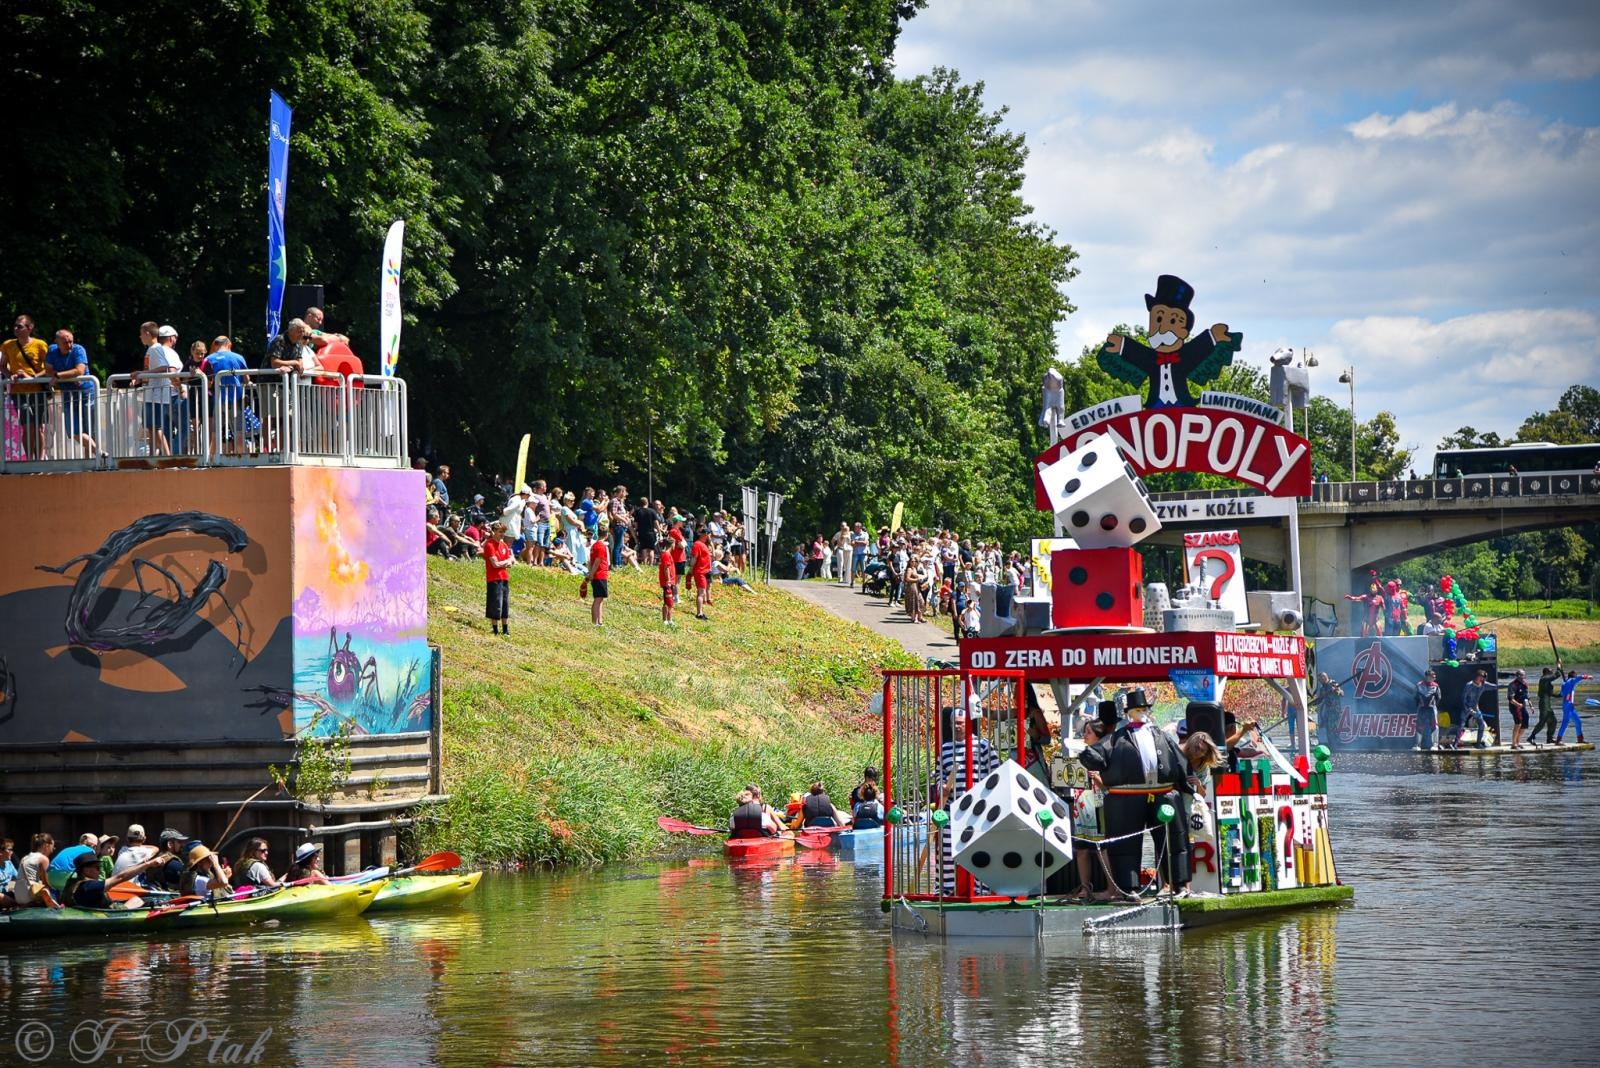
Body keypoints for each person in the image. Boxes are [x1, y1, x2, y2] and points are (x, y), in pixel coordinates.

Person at [1078, 688, 1193, 898]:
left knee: (1173, 840)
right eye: (1137, 709)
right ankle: (1128, 888)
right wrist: (1086, 754)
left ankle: (1179, 885)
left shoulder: (1160, 735)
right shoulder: (1117, 738)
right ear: (1129, 712)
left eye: (1143, 709)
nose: (1141, 712)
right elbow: (1096, 754)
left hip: (1162, 793)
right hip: (1127, 796)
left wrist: (1188, 784)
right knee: (1125, 844)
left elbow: (1179, 761)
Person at [929, 705, 1001, 894]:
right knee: (946, 850)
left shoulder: (984, 746)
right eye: (954, 724)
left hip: (979, 808)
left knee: (979, 849)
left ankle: (981, 889)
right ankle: (945, 890)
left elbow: (996, 773)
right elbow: (938, 774)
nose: (958, 727)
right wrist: (942, 787)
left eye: (961, 723)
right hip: (952, 808)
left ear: (968, 724)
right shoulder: (944, 749)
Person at [44, 328, 99, 458]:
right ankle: (100, 453)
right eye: (65, 343)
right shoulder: (52, 351)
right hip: (68, 395)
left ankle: (91, 462)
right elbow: (48, 371)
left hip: (86, 393)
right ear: (57, 342)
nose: (69, 345)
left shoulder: (78, 349)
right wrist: (65, 375)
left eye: (71, 342)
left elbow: (79, 370)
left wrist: (58, 375)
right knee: (74, 431)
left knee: (90, 430)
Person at [3, 313, 50, 458]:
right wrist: (9, 375)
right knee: (27, 426)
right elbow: (2, 365)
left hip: (38, 390)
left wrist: (32, 377)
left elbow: (49, 368)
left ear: (29, 328)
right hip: (19, 392)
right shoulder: (8, 345)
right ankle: (29, 459)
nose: (16, 328)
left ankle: (40, 459)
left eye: (20, 326)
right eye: (15, 325)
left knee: (38, 427)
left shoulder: (40, 344)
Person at [1072, 720, 1109, 901]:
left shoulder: (1105, 754)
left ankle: (1112, 888)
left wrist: (1097, 778)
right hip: (1081, 804)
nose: (1085, 735)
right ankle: (1085, 887)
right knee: (1082, 849)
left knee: (1102, 848)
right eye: (1084, 731)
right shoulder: (1079, 755)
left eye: (1089, 732)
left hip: (1099, 804)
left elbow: (1108, 787)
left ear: (1098, 735)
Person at [63, 848, 170, 910]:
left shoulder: (72, 883)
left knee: (136, 900)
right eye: (97, 868)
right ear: (86, 870)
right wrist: (148, 864)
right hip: (106, 915)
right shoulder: (89, 886)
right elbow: (121, 877)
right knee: (137, 900)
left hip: (88, 909)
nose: (100, 871)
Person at [201, 336, 249, 455]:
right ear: (229, 345)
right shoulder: (238, 357)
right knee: (238, 432)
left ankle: (210, 462)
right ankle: (244, 462)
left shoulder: (209, 359)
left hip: (217, 401)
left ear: (216, 345)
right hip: (235, 400)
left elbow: (205, 379)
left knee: (215, 434)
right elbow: (247, 379)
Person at [10, 833, 61, 909]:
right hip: (30, 894)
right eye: (52, 847)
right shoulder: (43, 859)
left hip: (18, 895)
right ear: (46, 846)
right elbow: (46, 883)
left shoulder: (25, 857)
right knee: (54, 892)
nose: (52, 851)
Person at [484, 521, 513, 635]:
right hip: (493, 578)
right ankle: (495, 630)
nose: (502, 534)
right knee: (495, 604)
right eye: (500, 532)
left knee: (505, 603)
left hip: (504, 577)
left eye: (503, 532)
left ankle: (505, 630)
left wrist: (505, 562)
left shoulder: (504, 545)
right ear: (494, 531)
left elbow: (509, 563)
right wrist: (506, 561)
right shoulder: (490, 545)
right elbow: (495, 564)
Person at [1460, 668, 1496, 748]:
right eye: (1482, 677)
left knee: (1482, 725)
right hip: (1467, 707)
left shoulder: (1483, 685)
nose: (1483, 679)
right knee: (1461, 724)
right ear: (1478, 676)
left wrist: (1508, 685)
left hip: (1475, 707)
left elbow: (1495, 687)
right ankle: (1455, 744)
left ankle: (1478, 743)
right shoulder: (1469, 685)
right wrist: (1468, 710)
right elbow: (1463, 698)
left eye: (1484, 678)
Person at [1556, 668, 1593, 744]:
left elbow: (1561, 694)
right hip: (1568, 704)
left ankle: (1580, 739)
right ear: (1573, 676)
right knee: (1565, 722)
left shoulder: (1564, 684)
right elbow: (1580, 677)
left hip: (1568, 705)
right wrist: (1588, 676)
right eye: (1575, 676)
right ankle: (1558, 740)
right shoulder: (1572, 681)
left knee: (1578, 722)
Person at [583, 527, 610, 627]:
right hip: (599, 575)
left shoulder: (594, 545)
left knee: (600, 599)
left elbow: (590, 561)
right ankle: (595, 622)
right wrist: (592, 574)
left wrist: (590, 572)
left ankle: (599, 621)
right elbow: (597, 562)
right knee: (598, 599)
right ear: (606, 534)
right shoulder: (601, 546)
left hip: (598, 575)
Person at [1530, 667, 1559, 745]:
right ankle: (1531, 737)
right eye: (1550, 672)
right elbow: (1556, 676)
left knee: (1553, 721)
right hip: (1543, 704)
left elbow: (1550, 693)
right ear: (1546, 672)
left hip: (1547, 704)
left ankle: (1549, 738)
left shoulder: (1546, 681)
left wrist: (1561, 695)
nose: (1551, 673)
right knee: (1542, 722)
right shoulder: (1544, 679)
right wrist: (1558, 668)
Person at [1414, 669, 1442, 750]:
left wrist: (1434, 706)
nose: (1434, 678)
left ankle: (1435, 745)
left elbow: (1439, 698)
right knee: (1419, 725)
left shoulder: (1436, 686)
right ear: (1427, 677)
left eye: (1434, 677)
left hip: (1432, 709)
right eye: (1432, 676)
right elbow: (1415, 697)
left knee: (1435, 726)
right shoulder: (1418, 685)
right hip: (1421, 708)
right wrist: (1419, 705)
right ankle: (1417, 745)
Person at [690, 529, 713, 621]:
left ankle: (701, 611)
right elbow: (694, 558)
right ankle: (699, 613)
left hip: (706, 571)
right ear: (706, 535)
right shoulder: (697, 544)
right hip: (700, 572)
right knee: (701, 592)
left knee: (704, 592)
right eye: (710, 535)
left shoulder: (704, 544)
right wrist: (691, 569)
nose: (710, 537)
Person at [1507, 669, 1530, 749]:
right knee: (1518, 723)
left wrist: (1531, 706)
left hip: (1523, 707)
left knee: (1525, 724)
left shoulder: (1525, 684)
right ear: (1517, 676)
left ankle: (1517, 741)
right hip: (1515, 706)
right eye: (1520, 675)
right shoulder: (1513, 685)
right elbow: (1511, 699)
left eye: (1523, 675)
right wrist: (1518, 704)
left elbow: (1527, 697)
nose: (1522, 677)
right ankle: (1513, 744)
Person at [658, 547, 677, 627]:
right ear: (672, 545)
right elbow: (666, 568)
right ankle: (665, 620)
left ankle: (670, 619)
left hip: (671, 581)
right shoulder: (666, 554)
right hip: (667, 582)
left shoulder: (668, 554)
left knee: (670, 602)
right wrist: (668, 580)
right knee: (667, 601)